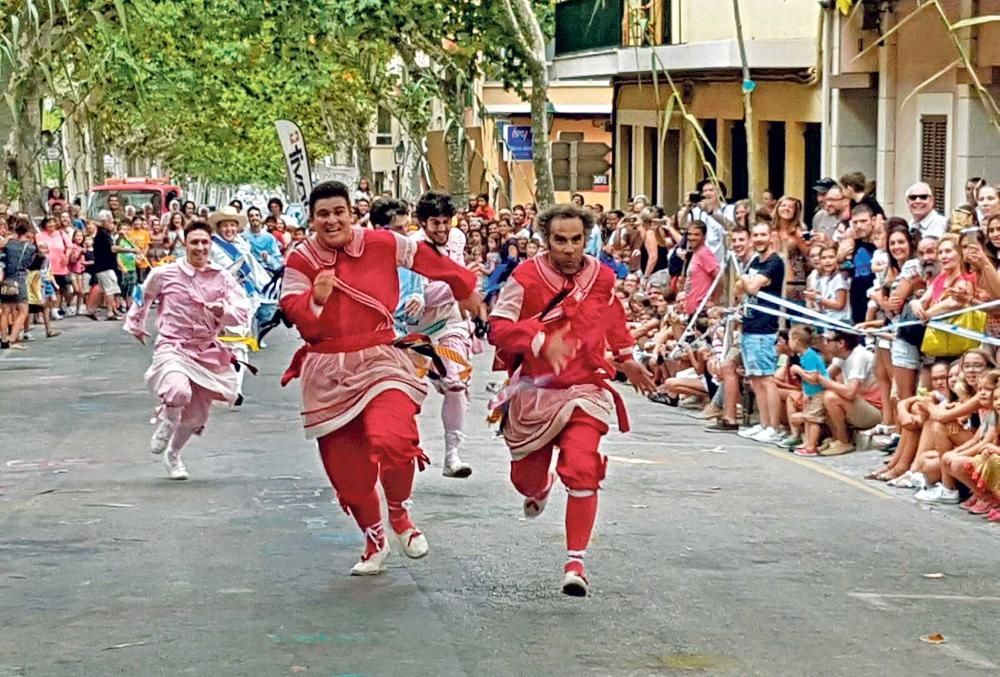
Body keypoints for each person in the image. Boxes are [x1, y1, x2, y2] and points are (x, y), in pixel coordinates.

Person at [278, 181, 481, 576]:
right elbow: (292, 310)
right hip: (327, 368)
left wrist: (465, 287)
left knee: (394, 437)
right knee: (349, 477)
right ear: (312, 219)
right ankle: (375, 537)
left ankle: (400, 514)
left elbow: (430, 261)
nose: (332, 220)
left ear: (352, 212)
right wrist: (316, 299)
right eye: (323, 214)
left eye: (339, 211)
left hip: (381, 357)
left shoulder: (383, 242)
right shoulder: (301, 259)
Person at [488, 203, 655, 597]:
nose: (568, 248)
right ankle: (538, 487)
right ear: (545, 240)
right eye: (560, 240)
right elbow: (497, 328)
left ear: (586, 239)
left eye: (576, 240)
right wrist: (540, 339)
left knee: (582, 467)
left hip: (584, 390)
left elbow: (613, 320)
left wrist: (628, 359)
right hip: (535, 391)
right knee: (524, 481)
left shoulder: (602, 277)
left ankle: (575, 563)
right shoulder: (525, 277)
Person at [124, 220, 251, 480]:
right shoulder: (165, 274)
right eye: (195, 242)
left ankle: (174, 455)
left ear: (211, 244)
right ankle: (167, 421)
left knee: (195, 418)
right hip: (173, 345)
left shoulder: (222, 277)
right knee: (177, 390)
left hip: (205, 351)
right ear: (185, 244)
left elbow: (242, 311)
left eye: (205, 242)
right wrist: (136, 323)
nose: (200, 247)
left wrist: (222, 311)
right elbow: (143, 295)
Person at [408, 191, 477, 477]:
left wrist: (461, 286)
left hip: (450, 322)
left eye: (446, 221)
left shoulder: (458, 238)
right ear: (422, 223)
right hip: (415, 331)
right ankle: (404, 449)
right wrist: (461, 282)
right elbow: (424, 293)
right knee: (409, 392)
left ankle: (453, 455)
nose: (442, 229)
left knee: (457, 382)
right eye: (435, 223)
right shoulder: (410, 247)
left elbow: (455, 278)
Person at [208, 206, 271, 404]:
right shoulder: (212, 247)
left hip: (243, 297)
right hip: (220, 299)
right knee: (222, 343)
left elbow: (255, 271)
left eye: (232, 225)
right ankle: (222, 383)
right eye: (225, 225)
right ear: (219, 228)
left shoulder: (243, 245)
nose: (229, 229)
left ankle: (236, 386)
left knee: (240, 341)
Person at [735, 222, 786, 444]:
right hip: (749, 323)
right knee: (755, 378)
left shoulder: (775, 262)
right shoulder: (756, 261)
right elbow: (740, 288)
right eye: (755, 235)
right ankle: (764, 423)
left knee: (766, 378)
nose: (759, 239)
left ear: (771, 236)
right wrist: (745, 282)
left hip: (765, 327)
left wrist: (745, 282)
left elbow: (752, 286)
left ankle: (774, 426)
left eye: (763, 235)